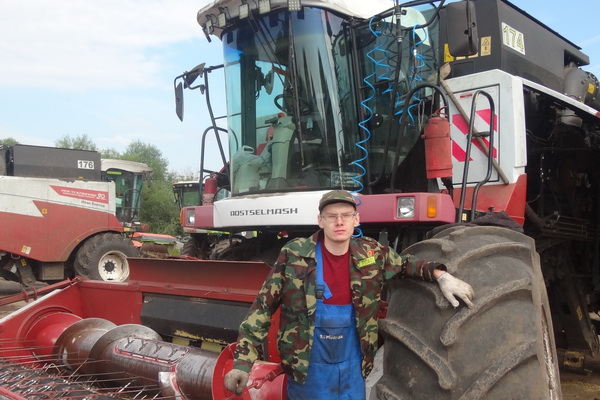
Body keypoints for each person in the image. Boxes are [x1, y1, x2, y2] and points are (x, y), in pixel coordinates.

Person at [224, 190, 475, 399]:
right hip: (306, 372)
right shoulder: (295, 255)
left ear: (356, 220)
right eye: (331, 216)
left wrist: (441, 275)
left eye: (346, 215)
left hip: (353, 371)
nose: (339, 222)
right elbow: (262, 308)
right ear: (320, 221)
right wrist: (242, 364)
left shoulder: (371, 253)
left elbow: (406, 264)